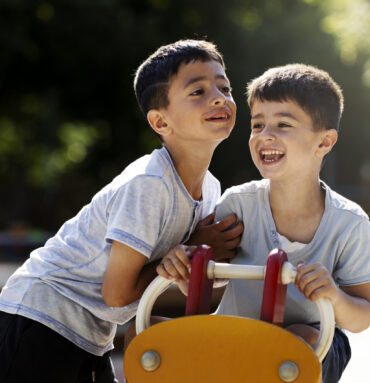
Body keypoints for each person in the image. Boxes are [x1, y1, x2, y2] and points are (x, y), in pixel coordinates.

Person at [0, 39, 242, 383]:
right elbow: (117, 295)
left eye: (224, 86)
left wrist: (195, 259)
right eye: (197, 91)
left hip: (90, 335)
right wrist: (179, 259)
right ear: (160, 122)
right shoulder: (149, 183)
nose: (219, 96)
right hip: (40, 317)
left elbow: (184, 281)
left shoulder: (211, 190)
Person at [213, 64, 370, 382]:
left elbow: (362, 317)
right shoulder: (237, 204)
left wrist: (333, 294)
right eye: (258, 124)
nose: (266, 135)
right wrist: (187, 264)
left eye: (283, 124)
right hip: (238, 334)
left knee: (298, 338)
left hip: (315, 341)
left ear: (324, 143)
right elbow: (208, 279)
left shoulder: (349, 223)